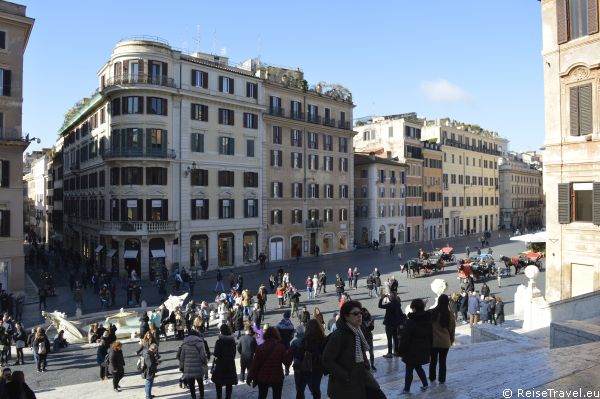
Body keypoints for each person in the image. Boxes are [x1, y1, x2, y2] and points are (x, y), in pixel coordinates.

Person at [322, 300, 383, 399]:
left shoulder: (358, 331)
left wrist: (366, 365)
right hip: (344, 386)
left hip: (362, 378)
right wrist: (345, 375)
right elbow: (327, 359)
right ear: (346, 316)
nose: (360, 316)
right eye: (355, 313)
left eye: (360, 313)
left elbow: (361, 353)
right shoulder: (339, 335)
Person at [246, 326, 292, 399]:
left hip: (262, 377)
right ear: (276, 335)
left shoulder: (260, 348)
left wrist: (249, 377)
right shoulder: (281, 347)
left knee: (262, 396)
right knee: (277, 396)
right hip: (277, 376)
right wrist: (290, 352)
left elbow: (255, 365)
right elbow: (288, 362)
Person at [399, 299, 432, 394]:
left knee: (409, 369)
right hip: (423, 348)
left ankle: (406, 389)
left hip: (412, 350)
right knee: (418, 367)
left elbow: (405, 338)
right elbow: (430, 335)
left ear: (414, 308)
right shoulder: (428, 319)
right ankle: (425, 384)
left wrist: (401, 351)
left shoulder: (411, 321)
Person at [290, 320, 326, 399]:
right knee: (316, 389)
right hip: (318, 368)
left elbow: (299, 356)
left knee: (300, 390)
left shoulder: (305, 340)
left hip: (305, 368)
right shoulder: (324, 340)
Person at [428, 294, 455, 385]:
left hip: (433, 341)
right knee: (443, 361)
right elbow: (452, 329)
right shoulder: (450, 314)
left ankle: (432, 378)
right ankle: (442, 380)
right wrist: (451, 339)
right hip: (445, 341)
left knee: (433, 361)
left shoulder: (431, 312)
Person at [177, 329, 208, 399]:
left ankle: (193, 397)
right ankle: (201, 396)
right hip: (198, 366)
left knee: (191, 384)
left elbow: (182, 357)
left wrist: (182, 367)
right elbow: (203, 355)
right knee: (200, 383)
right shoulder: (200, 343)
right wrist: (205, 363)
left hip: (188, 367)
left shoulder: (184, 344)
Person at [212, 324, 237, 399]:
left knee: (218, 384)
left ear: (221, 331)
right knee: (229, 384)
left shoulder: (219, 342)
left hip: (220, 365)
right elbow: (234, 354)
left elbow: (216, 354)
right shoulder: (232, 341)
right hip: (230, 364)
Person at [378, 291, 404, 358]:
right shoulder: (397, 304)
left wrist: (381, 298)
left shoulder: (390, 305)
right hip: (396, 324)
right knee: (395, 338)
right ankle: (396, 351)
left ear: (392, 297)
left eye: (390, 296)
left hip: (389, 324)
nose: (389, 297)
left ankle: (389, 353)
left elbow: (380, 306)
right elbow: (400, 314)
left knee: (389, 339)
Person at [276, 311, 295, 376]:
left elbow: (276, 334)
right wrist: (288, 340)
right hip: (287, 343)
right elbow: (292, 336)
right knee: (286, 357)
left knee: (279, 357)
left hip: (280, 343)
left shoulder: (279, 324)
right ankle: (287, 370)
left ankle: (280, 371)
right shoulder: (291, 325)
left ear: (284, 316)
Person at [361, 307, 376, 371]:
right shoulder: (360, 320)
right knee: (363, 353)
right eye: (364, 313)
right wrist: (369, 323)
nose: (366, 314)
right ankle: (366, 365)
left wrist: (372, 324)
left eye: (366, 313)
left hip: (369, 337)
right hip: (363, 338)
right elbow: (364, 327)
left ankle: (372, 365)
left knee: (371, 352)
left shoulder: (369, 318)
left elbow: (371, 328)